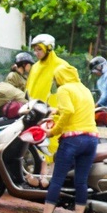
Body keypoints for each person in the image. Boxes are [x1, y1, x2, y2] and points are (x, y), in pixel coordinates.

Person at [30, 64, 98, 213]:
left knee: (57, 179)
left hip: (73, 140)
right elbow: (76, 110)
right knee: (81, 181)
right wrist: (56, 110)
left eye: (55, 79)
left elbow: (68, 111)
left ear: (60, 78)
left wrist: (53, 132)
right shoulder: (84, 89)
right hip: (91, 139)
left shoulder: (64, 89)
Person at [26, 34, 69, 166]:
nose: (36, 53)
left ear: (49, 48)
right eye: (35, 49)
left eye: (39, 49)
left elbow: (69, 89)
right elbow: (29, 88)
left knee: (54, 147)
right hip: (36, 112)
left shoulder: (62, 66)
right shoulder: (35, 67)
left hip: (54, 114)